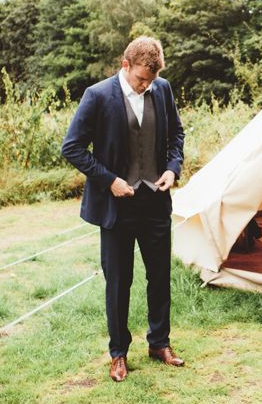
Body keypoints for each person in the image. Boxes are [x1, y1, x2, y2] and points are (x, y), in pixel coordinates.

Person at [61, 36, 185, 382]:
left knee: (159, 277)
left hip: (155, 202)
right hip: (116, 205)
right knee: (119, 282)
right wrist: (109, 180)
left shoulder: (163, 90)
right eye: (141, 79)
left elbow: (176, 135)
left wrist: (172, 169)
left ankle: (160, 343)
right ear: (125, 65)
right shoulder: (97, 96)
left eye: (151, 80)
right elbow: (71, 148)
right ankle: (118, 353)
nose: (146, 85)